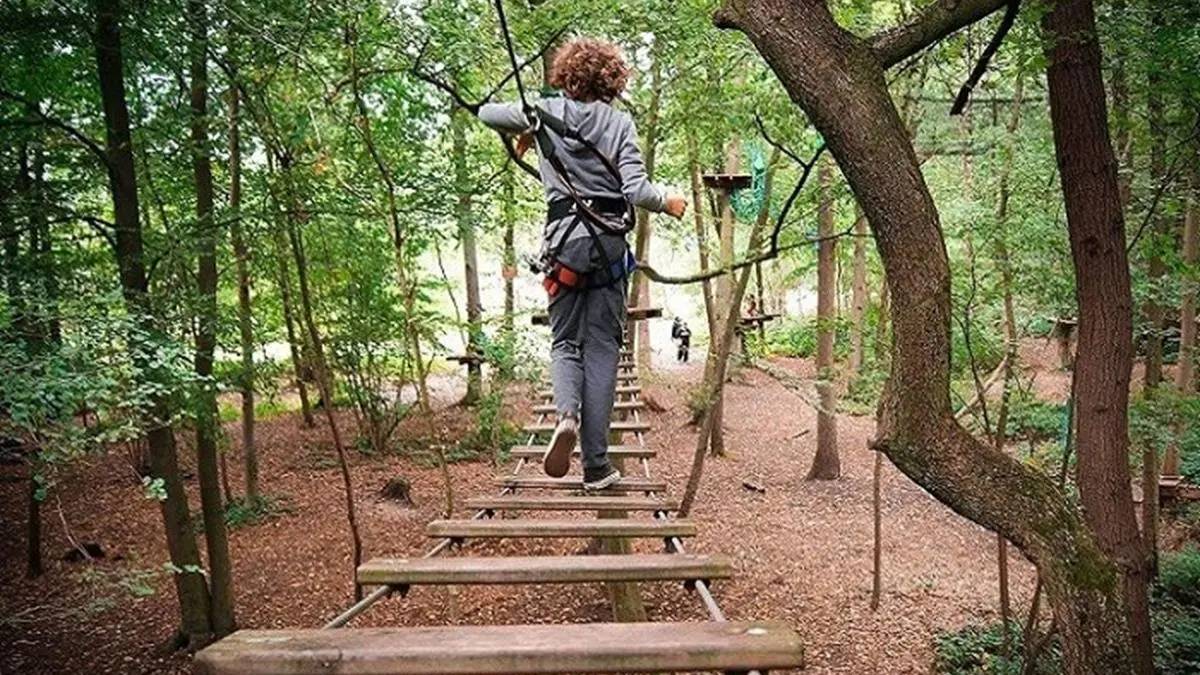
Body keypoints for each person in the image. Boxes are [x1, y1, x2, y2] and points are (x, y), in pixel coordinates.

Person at [480, 38, 687, 490]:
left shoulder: (546, 112)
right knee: (602, 349)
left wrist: (531, 121)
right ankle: (596, 466)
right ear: (612, 80)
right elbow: (635, 190)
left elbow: (485, 113)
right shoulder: (619, 123)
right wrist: (668, 201)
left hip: (564, 245)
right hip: (609, 246)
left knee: (565, 344)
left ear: (567, 77)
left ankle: (566, 415)